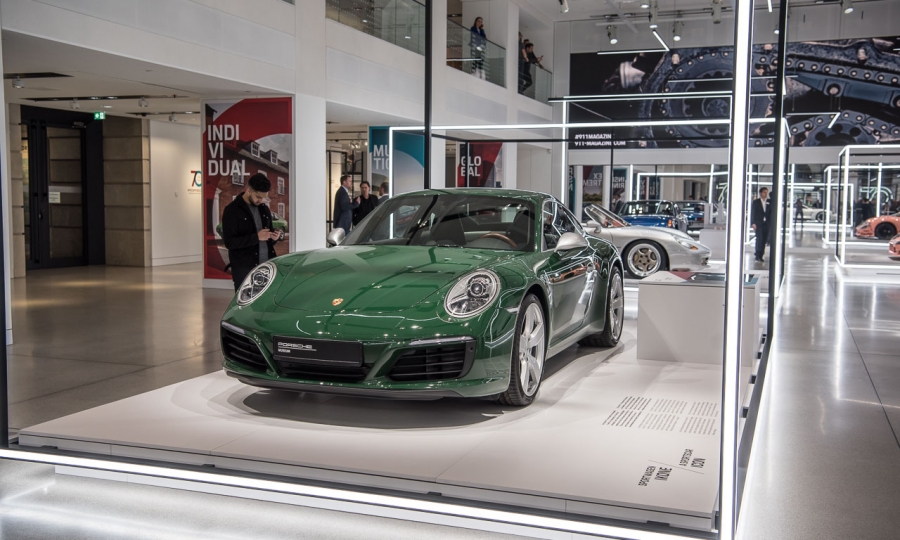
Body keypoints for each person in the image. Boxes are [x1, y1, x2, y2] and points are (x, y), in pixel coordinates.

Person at [221, 173, 282, 291]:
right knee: (245, 300)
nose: (261, 200)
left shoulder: (264, 209)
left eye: (264, 197)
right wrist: (256, 237)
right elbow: (230, 242)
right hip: (244, 269)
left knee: (267, 299)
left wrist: (273, 237)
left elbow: (267, 238)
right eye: (258, 197)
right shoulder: (232, 210)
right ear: (249, 190)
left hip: (267, 266)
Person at [750, 187, 772, 263]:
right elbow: (753, 212)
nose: (766, 194)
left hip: (766, 224)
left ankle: (761, 255)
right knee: (759, 239)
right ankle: (757, 255)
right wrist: (753, 223)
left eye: (766, 192)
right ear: (760, 193)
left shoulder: (769, 202)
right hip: (758, 224)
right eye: (764, 192)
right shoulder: (756, 202)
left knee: (764, 240)